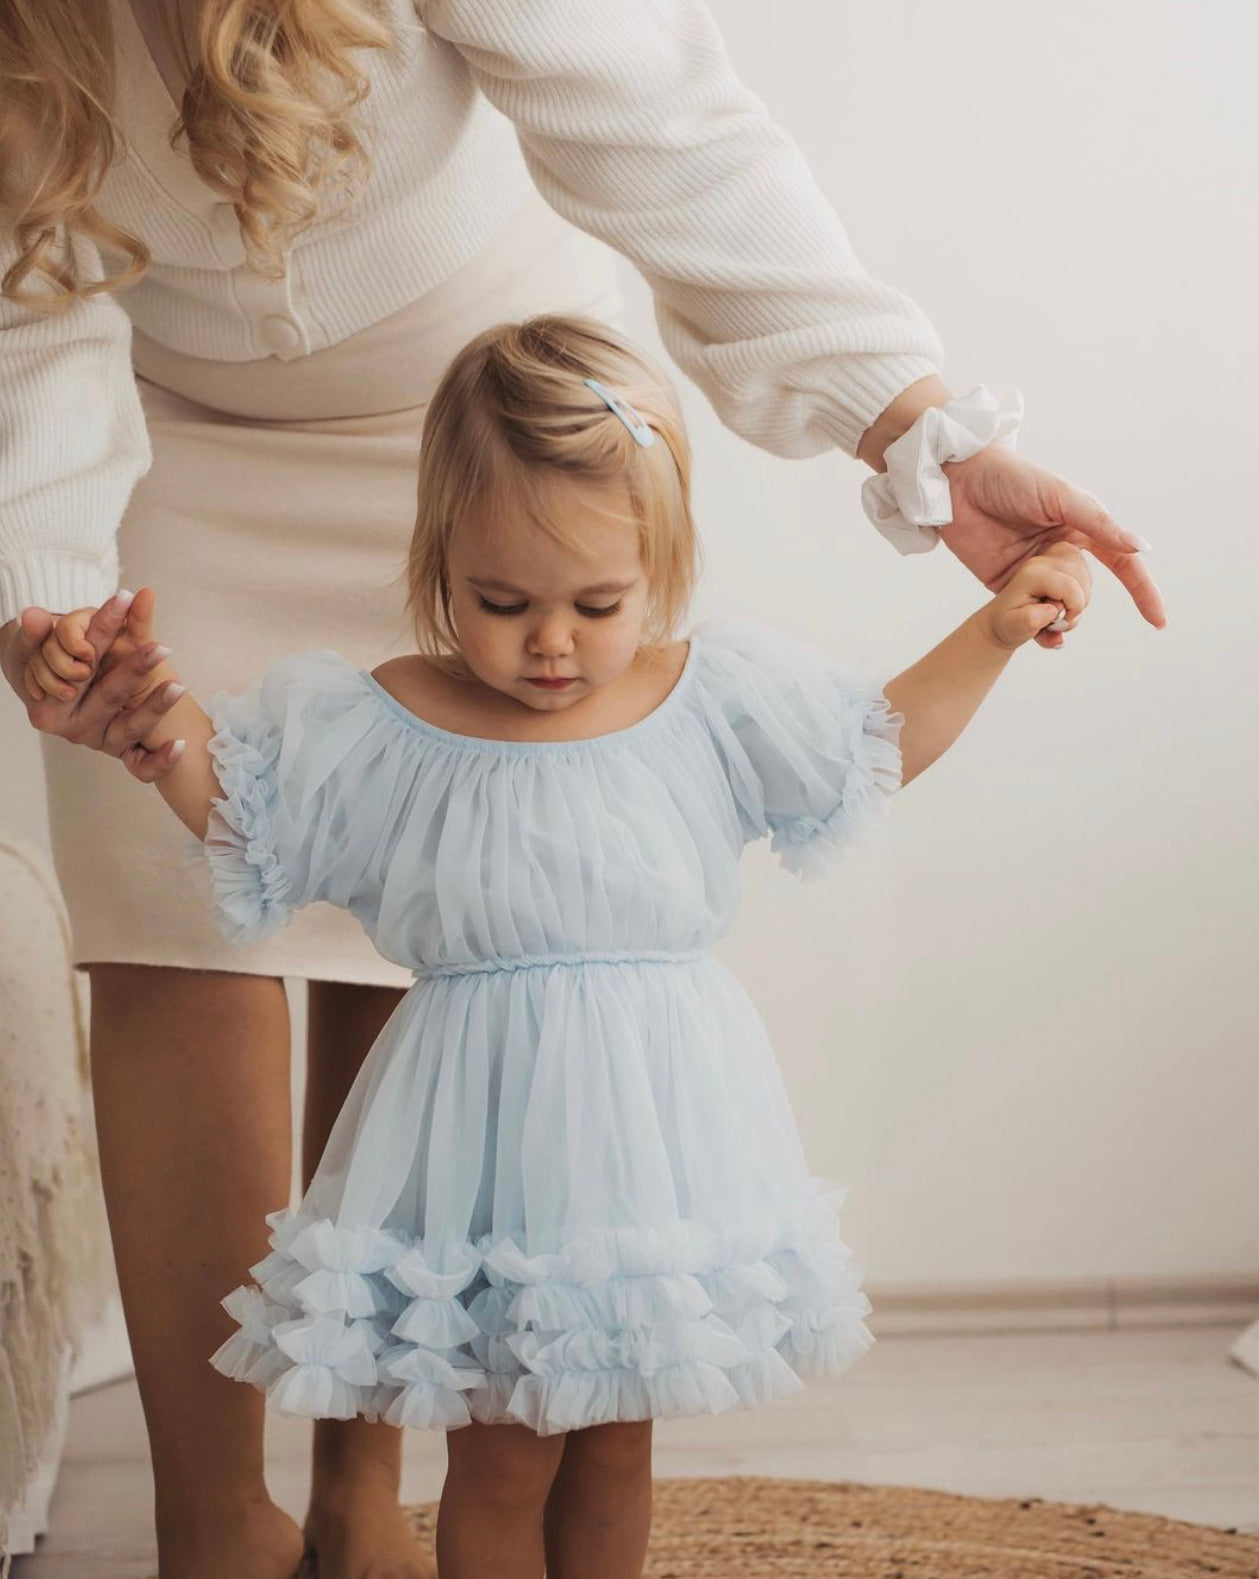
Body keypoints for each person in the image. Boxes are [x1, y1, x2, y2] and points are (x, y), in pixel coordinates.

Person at [0, 3, 1160, 1575]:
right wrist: (47, 592)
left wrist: (919, 433)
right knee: (172, 918)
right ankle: (219, 1528)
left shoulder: (617, 616)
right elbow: (27, 293)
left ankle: (359, 1494)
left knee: (431, 928)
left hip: (499, 424)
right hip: (178, 429)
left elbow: (668, 122)